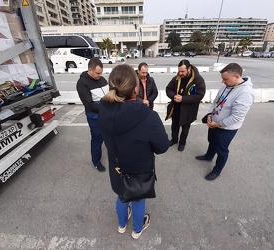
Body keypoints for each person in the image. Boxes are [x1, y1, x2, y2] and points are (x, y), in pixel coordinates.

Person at [97, 64, 169, 239]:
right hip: (139, 169)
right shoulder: (148, 116)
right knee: (137, 200)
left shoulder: (102, 110)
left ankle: (122, 225)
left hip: (116, 167)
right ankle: (137, 230)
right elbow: (162, 147)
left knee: (122, 196)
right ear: (136, 89)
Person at [195, 63, 254, 181]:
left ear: (236, 76)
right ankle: (209, 156)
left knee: (222, 149)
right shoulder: (225, 86)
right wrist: (210, 115)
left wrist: (217, 124)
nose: (223, 81)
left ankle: (217, 170)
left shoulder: (245, 93)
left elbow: (236, 117)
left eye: (225, 79)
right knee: (212, 141)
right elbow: (215, 102)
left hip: (227, 129)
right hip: (214, 123)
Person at [165, 59, 206, 151]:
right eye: (179, 71)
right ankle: (174, 139)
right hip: (176, 107)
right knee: (174, 125)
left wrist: (183, 99)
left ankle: (182, 143)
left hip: (189, 109)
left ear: (189, 69)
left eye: (183, 71)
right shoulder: (176, 78)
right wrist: (174, 96)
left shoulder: (198, 80)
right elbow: (168, 89)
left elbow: (200, 95)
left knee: (185, 127)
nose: (180, 73)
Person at [76, 58, 109, 172]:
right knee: (97, 139)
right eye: (98, 73)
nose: (100, 75)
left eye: (101, 73)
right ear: (90, 70)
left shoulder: (102, 79)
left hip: (107, 114)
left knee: (110, 137)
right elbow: (89, 104)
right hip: (95, 117)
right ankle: (96, 162)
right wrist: (107, 109)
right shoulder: (82, 83)